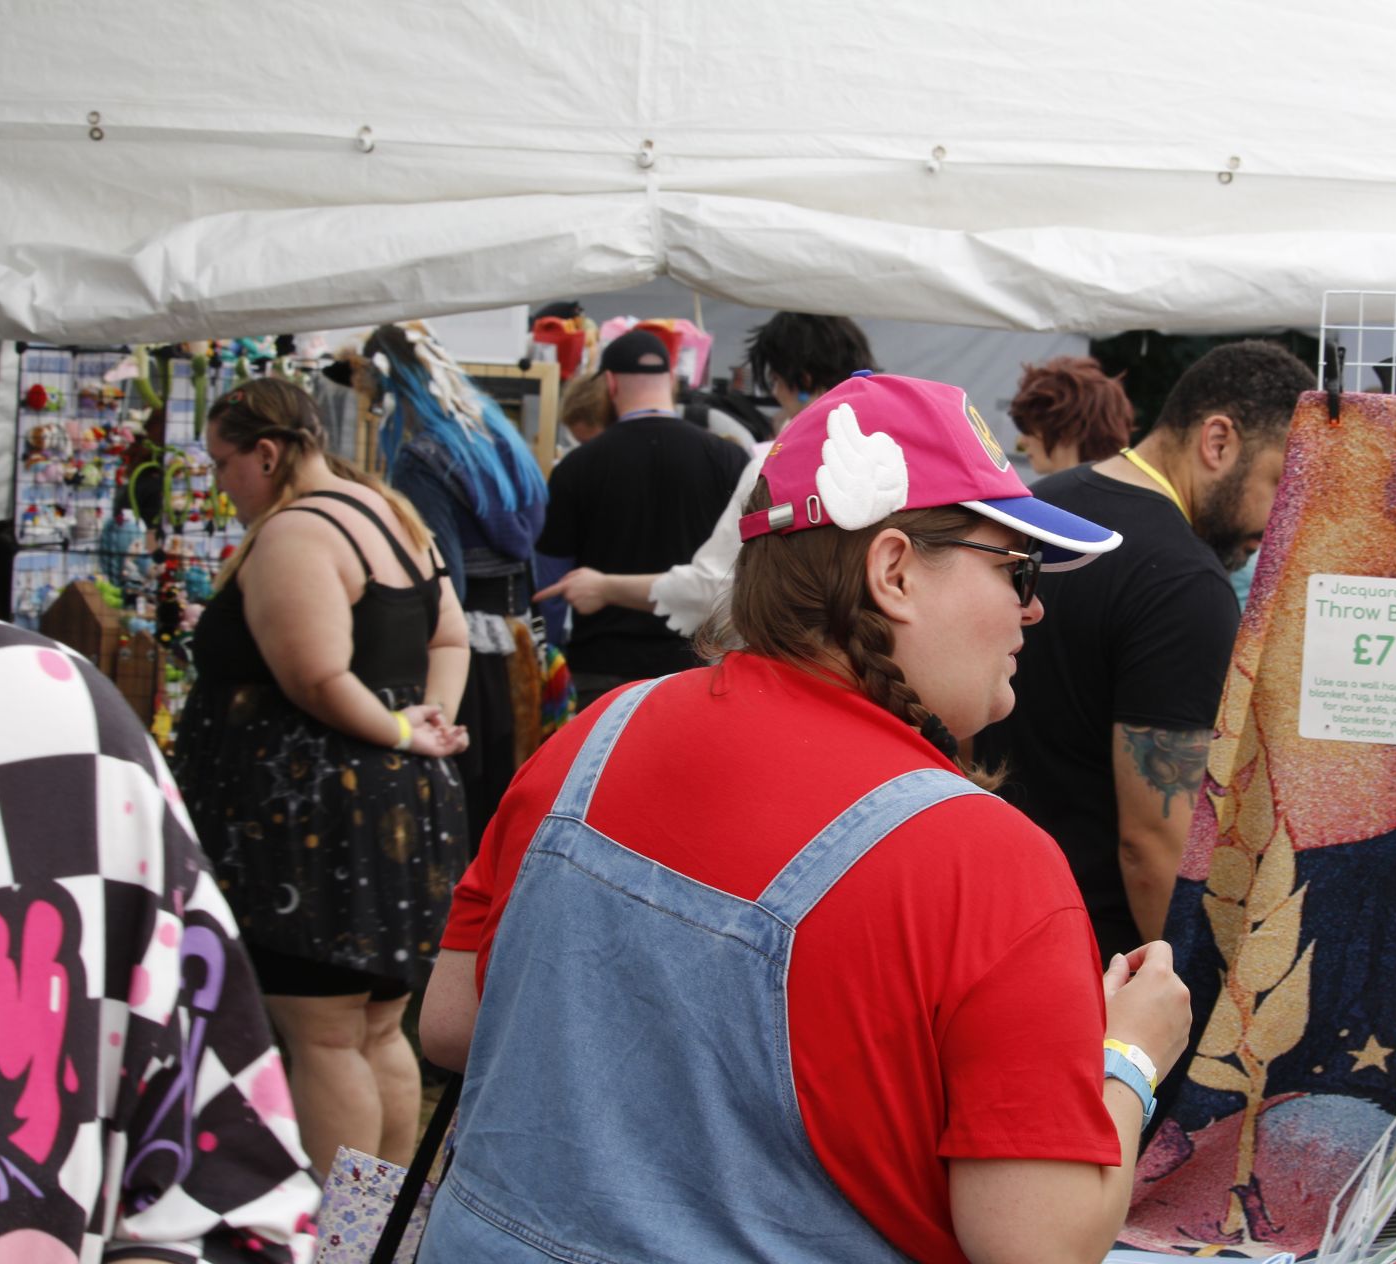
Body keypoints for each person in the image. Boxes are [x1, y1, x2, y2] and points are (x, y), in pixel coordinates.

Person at [417, 373, 1194, 1264]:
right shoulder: (985, 861)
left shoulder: (600, 732)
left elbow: (453, 1022)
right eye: (1016, 568)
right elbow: (1038, 1244)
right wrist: (1130, 1056)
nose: (1033, 605)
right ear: (893, 572)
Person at [0, 596, 319, 1262]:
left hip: (295, 822)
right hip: (305, 819)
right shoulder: (38, 714)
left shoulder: (33, 718)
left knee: (336, 1033)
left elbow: (223, 1202)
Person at [173, 378, 470, 1171]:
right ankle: (374, 1222)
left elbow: (316, 676)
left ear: (267, 453)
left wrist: (406, 729)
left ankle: (337, 1228)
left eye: (223, 462)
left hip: (315, 825)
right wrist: (427, 724)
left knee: (326, 1034)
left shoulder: (298, 532)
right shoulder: (391, 514)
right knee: (374, 1027)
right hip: (382, 809)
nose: (222, 483)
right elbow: (449, 638)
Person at [978, 341, 1315, 963]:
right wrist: (1182, 983)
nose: (1278, 521)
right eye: (1279, 482)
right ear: (1218, 442)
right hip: (1098, 961)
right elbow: (1154, 843)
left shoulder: (1041, 508)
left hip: (987, 916)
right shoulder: (1186, 585)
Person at [536, 310, 874, 639]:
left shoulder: (775, 470)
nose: (775, 394)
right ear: (671, 379)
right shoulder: (886, 456)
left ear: (803, 381)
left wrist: (605, 588)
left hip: (793, 657)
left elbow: (715, 584)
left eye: (774, 380)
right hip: (876, 653)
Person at [363, 322, 552, 848]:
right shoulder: (499, 439)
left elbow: (443, 580)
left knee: (456, 813)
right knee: (503, 812)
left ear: (387, 390)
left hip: (463, 660)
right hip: (518, 646)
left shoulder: (422, 458)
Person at [533, 328, 748, 702]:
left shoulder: (576, 467)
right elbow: (745, 567)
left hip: (602, 669)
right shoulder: (728, 459)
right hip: (697, 669)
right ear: (671, 379)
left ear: (610, 383)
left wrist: (546, 661)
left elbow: (551, 580)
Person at [1008, 355, 1136, 475]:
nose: (1021, 442)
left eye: (1030, 431)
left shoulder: (1051, 491)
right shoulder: (1129, 486)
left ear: (1068, 428)